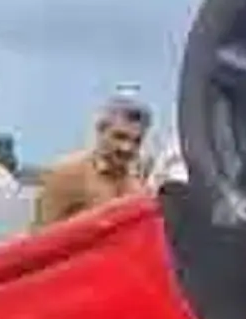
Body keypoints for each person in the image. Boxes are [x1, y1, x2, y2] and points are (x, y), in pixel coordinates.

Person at [31, 93, 154, 231]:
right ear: (100, 131)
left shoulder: (136, 188)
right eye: (120, 137)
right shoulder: (66, 174)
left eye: (136, 141)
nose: (127, 147)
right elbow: (39, 238)